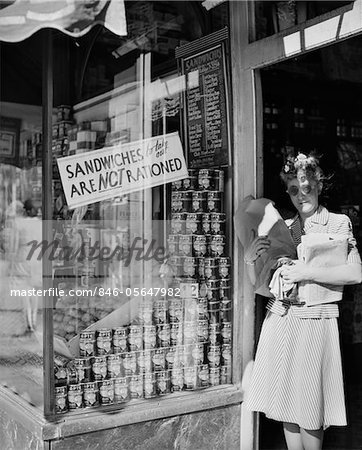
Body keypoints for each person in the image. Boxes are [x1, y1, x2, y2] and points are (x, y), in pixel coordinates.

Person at [244, 153, 362, 450]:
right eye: (294, 190)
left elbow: (355, 273)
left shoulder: (337, 223)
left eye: (306, 187)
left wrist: (304, 271)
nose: (301, 195)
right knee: (286, 406)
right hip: (281, 320)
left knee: (310, 408)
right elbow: (261, 287)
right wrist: (250, 260)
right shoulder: (282, 227)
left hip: (316, 321)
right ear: (287, 191)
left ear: (319, 185)